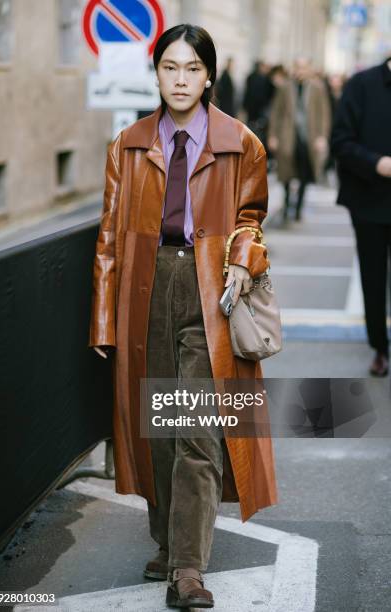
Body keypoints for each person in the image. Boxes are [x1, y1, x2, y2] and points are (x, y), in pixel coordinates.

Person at [88, 23, 278, 609]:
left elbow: (251, 216)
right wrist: (103, 320)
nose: (180, 79)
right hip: (145, 290)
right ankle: (168, 541)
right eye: (170, 67)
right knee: (156, 431)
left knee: (196, 430)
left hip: (209, 292)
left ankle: (187, 570)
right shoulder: (128, 143)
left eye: (192, 68)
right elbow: (108, 240)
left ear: (209, 76)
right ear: (157, 74)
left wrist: (244, 259)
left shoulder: (240, 142)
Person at [331, 56, 391, 377]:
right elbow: (340, 141)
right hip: (369, 201)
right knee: (373, 276)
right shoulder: (361, 85)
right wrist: (377, 163)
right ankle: (380, 348)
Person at [268, 58, 331, 221]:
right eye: (298, 67)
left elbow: (324, 114)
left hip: (309, 137)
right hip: (287, 136)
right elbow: (276, 112)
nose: (300, 70)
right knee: (286, 172)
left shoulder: (318, 88)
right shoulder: (285, 87)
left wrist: (322, 137)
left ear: (309, 69)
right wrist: (273, 136)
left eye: (304, 67)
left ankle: (298, 208)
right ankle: (287, 203)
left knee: (305, 173)